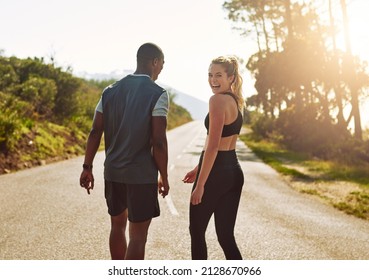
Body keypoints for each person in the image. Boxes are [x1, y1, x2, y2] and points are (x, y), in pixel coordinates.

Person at [79, 42, 169, 260]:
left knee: (117, 226)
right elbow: (158, 141)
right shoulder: (158, 94)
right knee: (138, 237)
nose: (161, 70)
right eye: (162, 65)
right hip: (141, 176)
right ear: (155, 62)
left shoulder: (109, 91)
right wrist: (164, 176)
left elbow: (94, 131)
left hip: (113, 173)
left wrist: (87, 167)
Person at [182, 55, 244, 260]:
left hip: (216, 174)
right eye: (210, 75)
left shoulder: (217, 100)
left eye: (218, 75)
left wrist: (201, 184)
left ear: (231, 78)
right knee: (226, 237)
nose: (213, 80)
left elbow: (213, 147)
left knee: (197, 232)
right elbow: (218, 142)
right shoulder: (235, 101)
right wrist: (198, 168)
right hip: (233, 172)